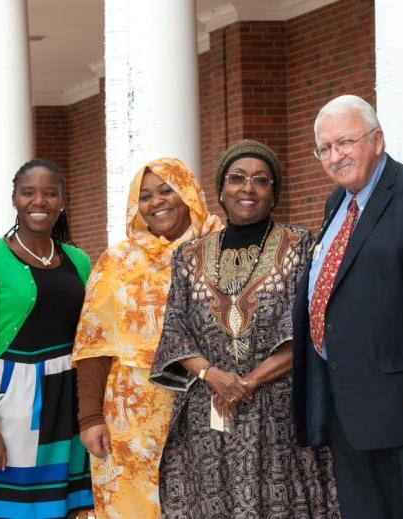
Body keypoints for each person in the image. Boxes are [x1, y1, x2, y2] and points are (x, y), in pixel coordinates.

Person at [150, 139, 339, 518]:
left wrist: (248, 382)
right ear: (221, 189)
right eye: (237, 178)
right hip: (209, 410)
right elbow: (176, 329)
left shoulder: (301, 245)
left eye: (260, 181)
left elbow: (306, 324)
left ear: (274, 194)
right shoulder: (187, 256)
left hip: (280, 409)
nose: (247, 188)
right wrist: (211, 374)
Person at [293, 95, 403, 518]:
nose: (335, 156)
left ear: (377, 140)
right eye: (324, 148)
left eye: (345, 142)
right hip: (347, 403)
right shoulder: (336, 203)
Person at [73, 157, 222, 518]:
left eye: (167, 190)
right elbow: (94, 345)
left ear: (188, 192)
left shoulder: (219, 251)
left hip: (203, 406)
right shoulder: (117, 261)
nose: (157, 202)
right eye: (145, 196)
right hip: (130, 416)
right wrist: (90, 417)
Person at [0, 159, 94, 518]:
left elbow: (91, 338)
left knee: (65, 508)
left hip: (66, 398)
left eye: (50, 193)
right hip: (13, 403)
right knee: (8, 510)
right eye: (29, 192)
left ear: (62, 201)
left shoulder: (79, 261)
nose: (40, 201)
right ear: (14, 199)